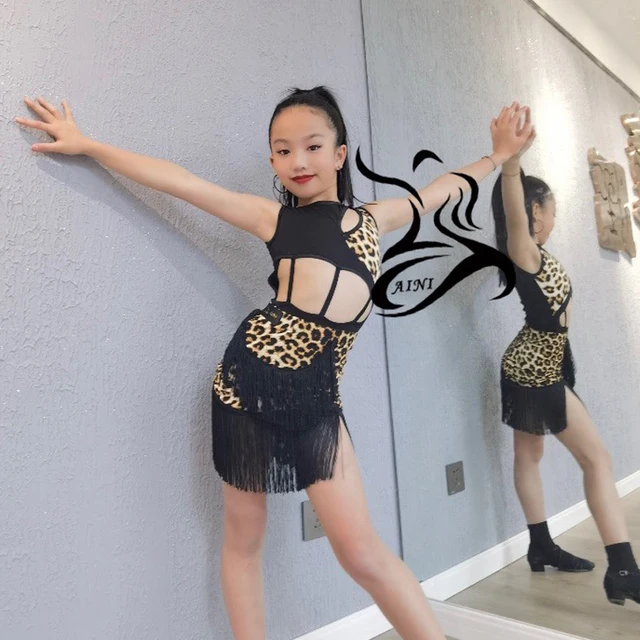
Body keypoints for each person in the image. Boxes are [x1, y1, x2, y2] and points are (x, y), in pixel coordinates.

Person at [16, 88, 529, 638]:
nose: (298, 161)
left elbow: (442, 189)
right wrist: (88, 145)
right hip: (248, 383)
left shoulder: (374, 220)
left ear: (340, 154)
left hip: (317, 399)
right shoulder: (273, 219)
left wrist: (498, 157)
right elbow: (180, 182)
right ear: (272, 162)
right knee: (244, 540)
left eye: (313, 146)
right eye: (283, 151)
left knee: (361, 553)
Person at [491, 108, 640, 607]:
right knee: (597, 459)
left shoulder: (537, 253)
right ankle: (624, 569)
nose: (554, 217)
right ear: (534, 211)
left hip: (537, 363)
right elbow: (512, 209)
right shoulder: (525, 249)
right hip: (535, 369)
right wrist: (511, 163)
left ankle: (540, 546)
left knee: (530, 455)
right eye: (551, 209)